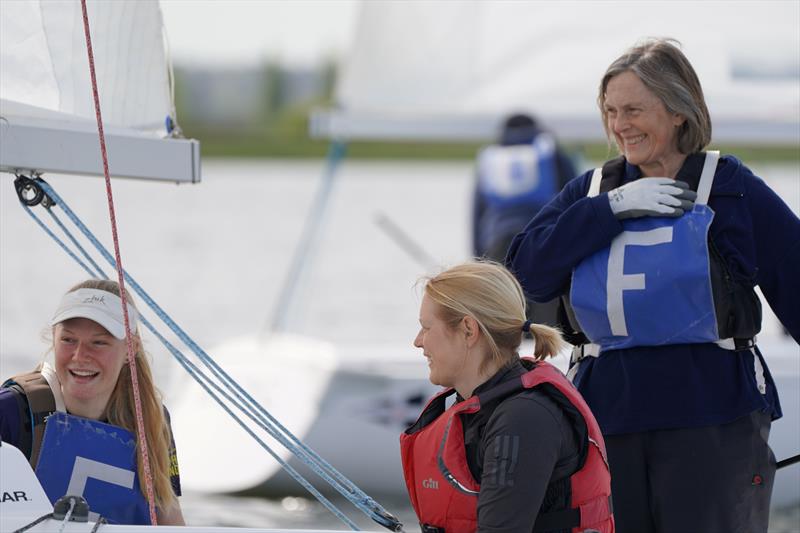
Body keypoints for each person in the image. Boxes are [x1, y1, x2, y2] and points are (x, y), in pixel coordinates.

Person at [505, 38, 800, 533]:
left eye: (635, 110)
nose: (621, 125)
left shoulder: (730, 189)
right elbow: (524, 273)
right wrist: (608, 211)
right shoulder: (592, 192)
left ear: (679, 111)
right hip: (607, 420)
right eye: (612, 111)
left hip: (713, 418)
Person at [402, 261, 614, 533]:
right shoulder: (484, 407)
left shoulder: (523, 420)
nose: (418, 341)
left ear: (468, 330)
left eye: (426, 327)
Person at [0, 279, 185, 526]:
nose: (80, 356)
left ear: (131, 349)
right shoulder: (12, 411)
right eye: (68, 340)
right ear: (53, 339)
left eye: (98, 342)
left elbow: (171, 522)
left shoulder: (151, 419)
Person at [472, 113, 576, 327]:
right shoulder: (551, 153)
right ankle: (544, 355)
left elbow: (477, 214)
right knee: (546, 323)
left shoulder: (491, 159)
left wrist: (478, 261)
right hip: (543, 240)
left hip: (498, 241)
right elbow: (575, 199)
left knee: (502, 318)